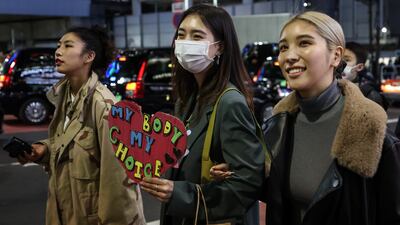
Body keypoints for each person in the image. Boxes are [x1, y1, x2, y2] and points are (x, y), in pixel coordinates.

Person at [260, 11, 400, 225]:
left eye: (304, 43)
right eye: (283, 47)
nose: (289, 56)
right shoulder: (276, 126)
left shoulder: (373, 133)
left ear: (336, 56)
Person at [140, 4, 266, 225]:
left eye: (197, 36)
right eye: (181, 35)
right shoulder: (187, 100)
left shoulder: (230, 103)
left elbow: (248, 184)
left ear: (219, 47)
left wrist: (178, 193)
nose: (186, 42)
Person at [18, 27, 146, 225]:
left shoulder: (105, 107)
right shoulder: (65, 96)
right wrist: (44, 150)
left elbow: (118, 182)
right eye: (58, 45)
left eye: (68, 45)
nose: (58, 51)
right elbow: (69, 144)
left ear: (89, 56)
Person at [342, 41, 388, 110]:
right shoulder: (333, 88)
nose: (341, 63)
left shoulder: (370, 94)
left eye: (347, 60)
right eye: (338, 59)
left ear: (359, 67)